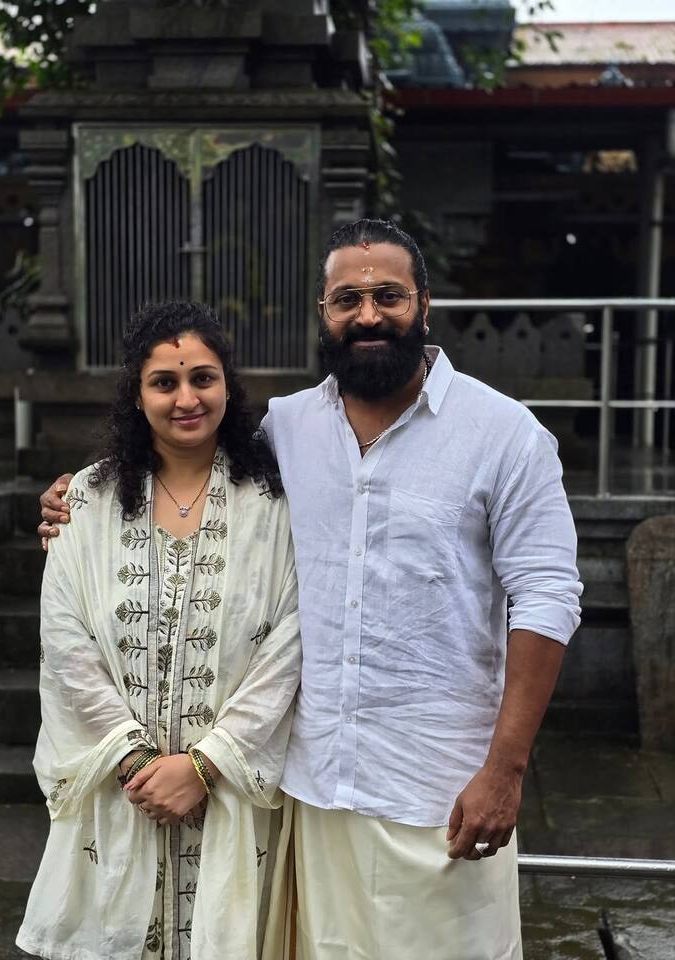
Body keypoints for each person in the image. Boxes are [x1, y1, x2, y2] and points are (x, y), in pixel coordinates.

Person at [39, 219, 582, 960]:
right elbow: (184, 463)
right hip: (313, 792)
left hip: (441, 790)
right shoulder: (284, 431)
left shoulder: (505, 434)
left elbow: (548, 596)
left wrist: (506, 771)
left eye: (387, 295)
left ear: (424, 303)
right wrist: (77, 503)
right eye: (346, 299)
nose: (368, 314)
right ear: (322, 314)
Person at [20, 300, 301, 960]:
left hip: (232, 794)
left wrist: (208, 764)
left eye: (202, 378)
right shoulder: (86, 500)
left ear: (228, 388)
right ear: (136, 394)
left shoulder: (276, 504)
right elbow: (66, 639)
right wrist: (134, 758)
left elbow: (292, 639)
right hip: (128, 793)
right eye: (165, 382)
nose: (186, 398)